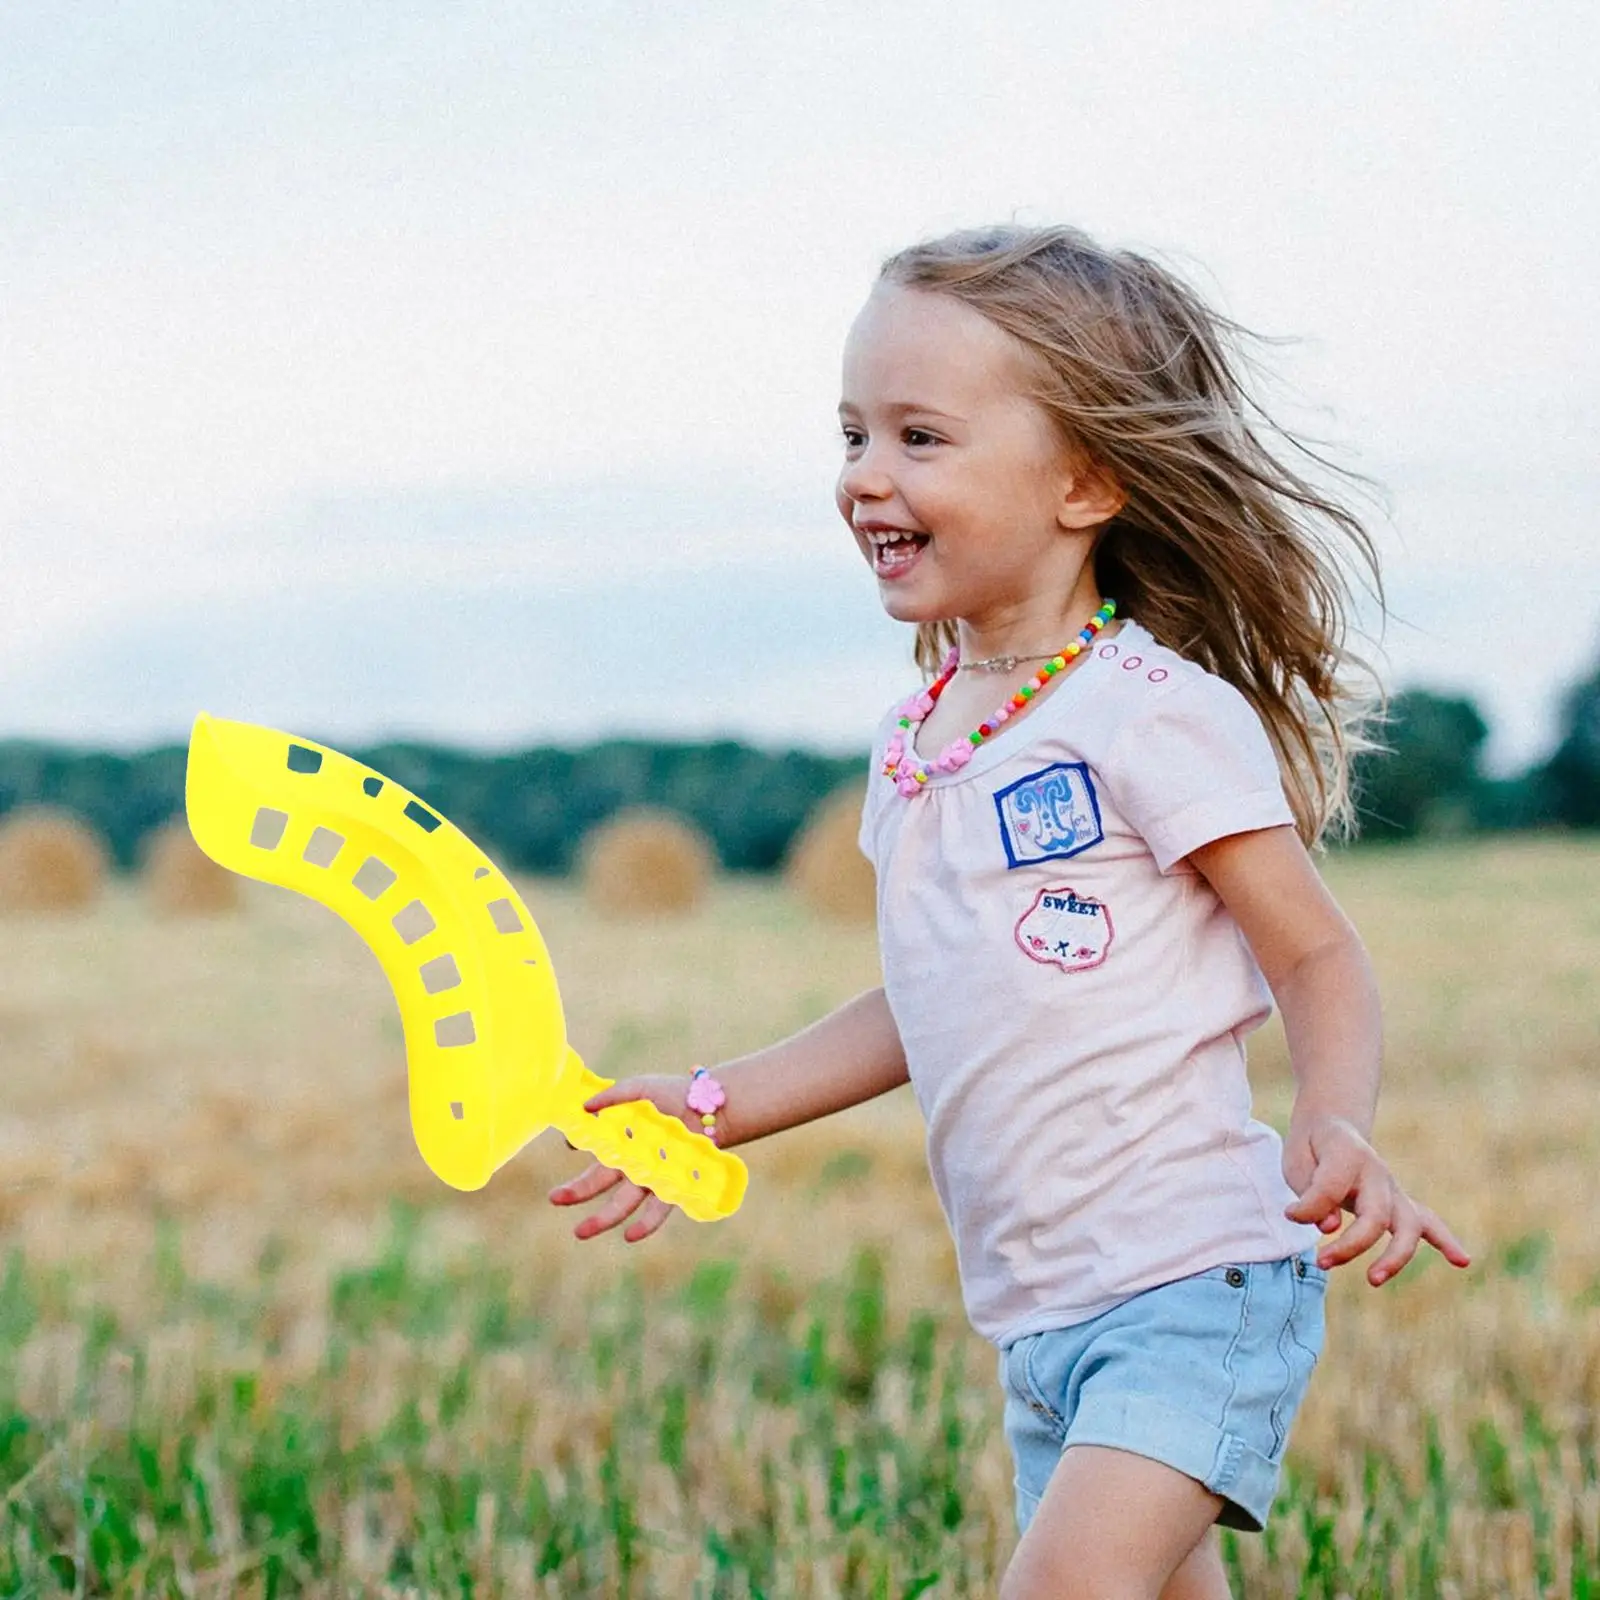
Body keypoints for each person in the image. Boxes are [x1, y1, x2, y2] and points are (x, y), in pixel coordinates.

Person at [550, 224, 1470, 1600]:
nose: (866, 475)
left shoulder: (1152, 715)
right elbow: (928, 999)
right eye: (853, 434)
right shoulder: (916, 743)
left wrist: (1335, 1122)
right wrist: (716, 1101)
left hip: (1193, 1285)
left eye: (920, 437)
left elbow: (1314, 950)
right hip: (1040, 1317)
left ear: (1085, 481)